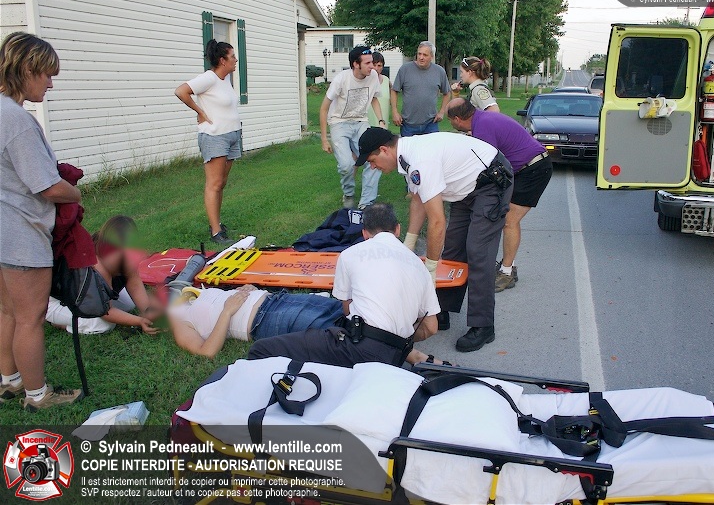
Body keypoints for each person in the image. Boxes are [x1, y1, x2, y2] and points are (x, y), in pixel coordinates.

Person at [355, 128, 513, 353]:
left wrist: (430, 268)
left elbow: (437, 222)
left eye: (372, 160)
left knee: (478, 251)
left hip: (491, 181)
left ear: (384, 150)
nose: (372, 167)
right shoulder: (407, 157)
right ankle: (441, 311)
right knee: (453, 251)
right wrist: (408, 245)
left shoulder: (420, 160)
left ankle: (483, 325)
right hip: (465, 187)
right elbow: (418, 200)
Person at [0, 32, 84, 411]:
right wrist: (75, 192)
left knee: (8, 311)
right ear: (27, 70)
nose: (50, 84)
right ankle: (37, 395)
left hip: (4, 230)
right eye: (47, 75)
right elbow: (47, 186)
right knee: (31, 318)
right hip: (21, 234)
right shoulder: (16, 120)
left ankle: (10, 380)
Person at [248, 203, 441, 367]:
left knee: (260, 350)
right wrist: (397, 339)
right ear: (397, 229)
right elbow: (431, 327)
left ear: (364, 233)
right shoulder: (420, 265)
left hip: (358, 348)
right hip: (396, 353)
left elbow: (347, 309)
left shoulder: (350, 254)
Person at [169, 284, 448, 365]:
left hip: (276, 299)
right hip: (264, 319)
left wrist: (244, 291)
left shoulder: (193, 294)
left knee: (349, 312)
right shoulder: (179, 321)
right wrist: (228, 311)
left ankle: (407, 351)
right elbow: (207, 352)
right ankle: (412, 356)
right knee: (339, 331)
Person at [447, 99, 552, 292]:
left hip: (534, 169)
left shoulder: (483, 127)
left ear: (457, 119)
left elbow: (484, 164)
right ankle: (507, 266)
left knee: (510, 221)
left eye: (450, 120)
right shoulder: (482, 120)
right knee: (505, 218)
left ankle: (507, 272)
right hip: (523, 169)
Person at [46, 216, 163, 334]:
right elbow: (106, 312)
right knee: (104, 325)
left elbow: (134, 283)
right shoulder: (95, 264)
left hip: (90, 297)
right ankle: (61, 322)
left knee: (128, 304)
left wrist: (149, 312)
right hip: (55, 302)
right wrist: (140, 321)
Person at [175, 39, 242, 245]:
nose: (236, 60)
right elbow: (181, 91)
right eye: (232, 56)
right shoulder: (209, 78)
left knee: (222, 183)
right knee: (214, 184)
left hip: (231, 135)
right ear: (222, 60)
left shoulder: (225, 79)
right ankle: (215, 231)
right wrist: (200, 112)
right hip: (215, 137)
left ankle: (217, 223)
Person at [320, 46, 386, 210]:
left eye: (372, 62)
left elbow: (374, 99)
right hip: (339, 123)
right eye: (368, 63)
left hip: (361, 122)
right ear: (356, 64)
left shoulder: (373, 77)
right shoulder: (341, 79)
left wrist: (381, 120)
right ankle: (348, 194)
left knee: (375, 158)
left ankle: (366, 203)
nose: (372, 66)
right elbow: (324, 108)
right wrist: (324, 139)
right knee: (347, 165)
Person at [391, 41, 451, 136]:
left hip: (431, 124)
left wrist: (442, 112)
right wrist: (394, 112)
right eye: (419, 54)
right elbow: (394, 91)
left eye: (425, 55)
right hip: (408, 124)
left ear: (432, 56)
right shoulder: (405, 69)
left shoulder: (439, 71)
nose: (421, 57)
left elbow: (447, 93)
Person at [367, 52, 392, 129]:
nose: (376, 68)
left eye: (379, 65)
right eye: (374, 65)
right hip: (368, 123)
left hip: (383, 122)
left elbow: (391, 96)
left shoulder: (386, 80)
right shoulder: (365, 81)